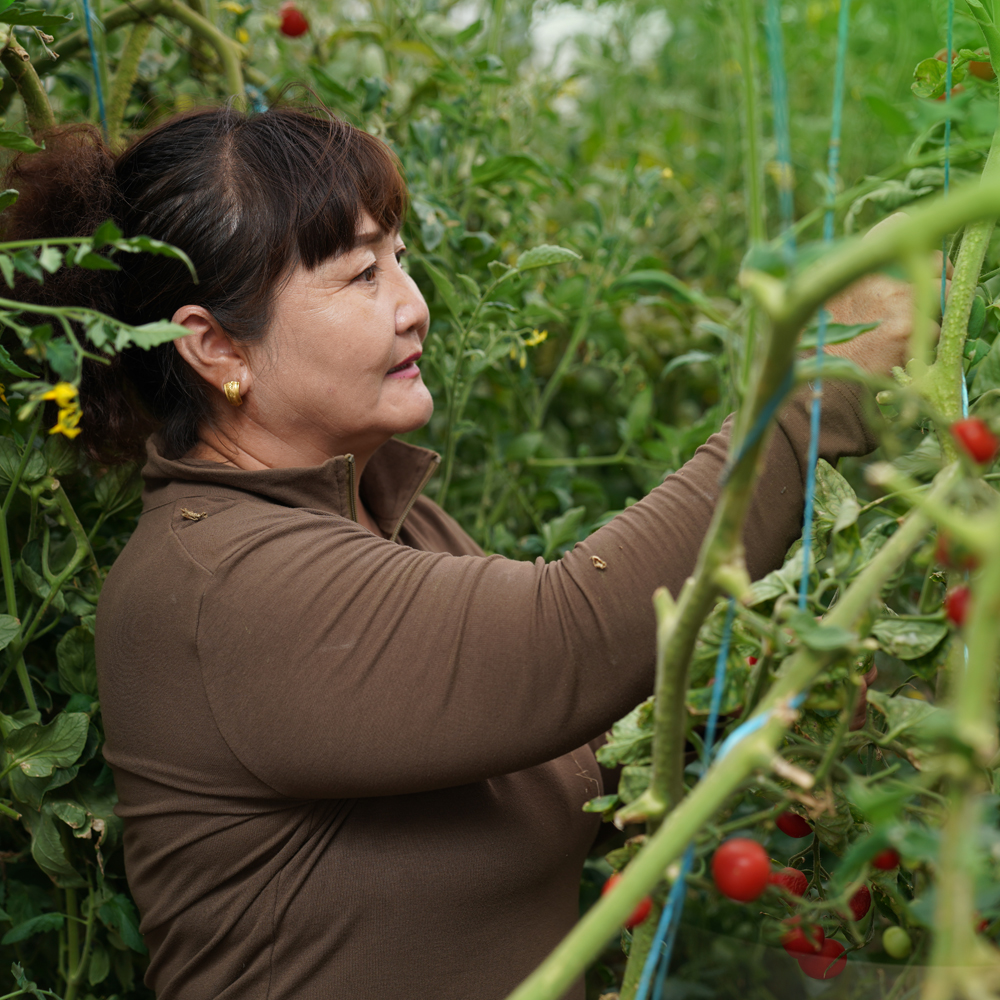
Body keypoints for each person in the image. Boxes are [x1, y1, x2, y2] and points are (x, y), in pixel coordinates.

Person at [4, 105, 941, 1000]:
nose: (413, 306)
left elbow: (572, 737)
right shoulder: (219, 586)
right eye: (359, 275)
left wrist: (779, 698)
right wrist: (807, 396)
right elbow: (567, 642)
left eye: (400, 259)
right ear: (212, 345)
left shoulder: (387, 522)